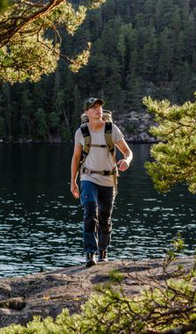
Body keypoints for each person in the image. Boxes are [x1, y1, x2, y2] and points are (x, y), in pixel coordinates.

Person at [70, 97, 133, 267]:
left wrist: (127, 160)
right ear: (87, 112)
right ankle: (90, 253)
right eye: (94, 107)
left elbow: (128, 152)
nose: (98, 110)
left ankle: (103, 251)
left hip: (108, 179)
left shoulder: (112, 130)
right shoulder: (81, 132)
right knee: (90, 210)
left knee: (105, 216)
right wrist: (73, 182)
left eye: (99, 107)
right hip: (88, 177)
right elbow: (76, 159)